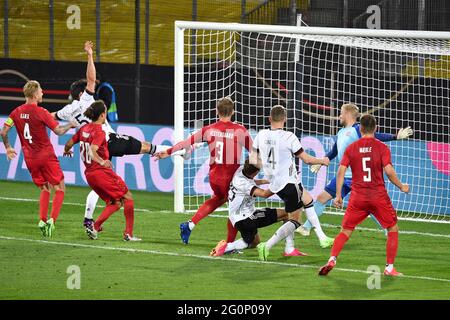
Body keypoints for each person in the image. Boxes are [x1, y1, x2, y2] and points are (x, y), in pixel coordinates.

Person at [52, 41, 190, 230]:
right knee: (145, 147)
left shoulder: (67, 111)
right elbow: (91, 79)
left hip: (94, 150)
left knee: (102, 185)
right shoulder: (86, 99)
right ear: (82, 92)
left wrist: (37, 115)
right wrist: (90, 54)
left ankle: (88, 219)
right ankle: (177, 151)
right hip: (107, 140)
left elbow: (51, 121)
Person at [297, 103, 413, 237]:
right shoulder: (341, 132)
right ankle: (306, 228)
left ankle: (387, 228)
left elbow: (376, 135)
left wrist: (395, 137)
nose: (339, 116)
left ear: (347, 114)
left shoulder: (358, 129)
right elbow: (334, 151)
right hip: (344, 177)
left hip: (359, 177)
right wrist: (322, 161)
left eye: (341, 112)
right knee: (322, 197)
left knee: (369, 206)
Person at [318, 114, 409, 277]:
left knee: (345, 231)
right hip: (378, 196)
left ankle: (332, 259)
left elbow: (340, 172)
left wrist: (338, 195)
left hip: (357, 197)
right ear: (375, 128)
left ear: (360, 129)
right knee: (392, 228)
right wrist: (401, 186)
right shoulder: (382, 148)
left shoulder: (351, 148)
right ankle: (389, 268)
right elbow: (388, 171)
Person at [155, 97, 252, 245]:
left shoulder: (209, 130)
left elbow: (186, 143)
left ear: (216, 111)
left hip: (214, 177)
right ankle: (229, 245)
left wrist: (168, 152)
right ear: (233, 112)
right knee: (235, 209)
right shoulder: (240, 130)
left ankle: (189, 225)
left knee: (218, 199)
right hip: (230, 178)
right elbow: (254, 152)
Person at [251, 105, 332, 261]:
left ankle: (318, 238)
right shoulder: (289, 136)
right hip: (288, 183)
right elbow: (307, 159)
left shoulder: (260, 135)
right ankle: (266, 246)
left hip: (276, 182)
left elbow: (254, 161)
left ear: (269, 119)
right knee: (295, 219)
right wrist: (322, 161)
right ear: (285, 119)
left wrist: (267, 171)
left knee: (307, 199)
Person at [0, 80, 76, 237]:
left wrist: (8, 147)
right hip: (46, 155)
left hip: (29, 158)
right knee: (60, 188)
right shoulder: (42, 112)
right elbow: (59, 131)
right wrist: (71, 125)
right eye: (41, 91)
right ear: (35, 94)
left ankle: (42, 220)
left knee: (44, 188)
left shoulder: (16, 112)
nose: (43, 93)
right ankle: (51, 222)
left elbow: (3, 131)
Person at [64, 100, 140, 241]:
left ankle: (95, 226)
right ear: (102, 115)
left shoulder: (84, 129)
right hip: (101, 172)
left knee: (115, 202)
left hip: (89, 175)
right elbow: (93, 151)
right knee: (127, 196)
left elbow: (68, 143)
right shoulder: (100, 132)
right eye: (105, 112)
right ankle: (128, 234)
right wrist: (102, 161)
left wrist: (66, 150)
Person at [210, 159, 307, 257]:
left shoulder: (240, 171)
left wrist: (266, 181)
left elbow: (252, 181)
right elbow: (264, 194)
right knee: (287, 214)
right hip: (246, 218)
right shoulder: (245, 185)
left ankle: (227, 247)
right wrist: (281, 182)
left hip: (236, 218)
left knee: (254, 243)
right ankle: (289, 249)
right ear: (256, 172)